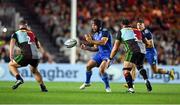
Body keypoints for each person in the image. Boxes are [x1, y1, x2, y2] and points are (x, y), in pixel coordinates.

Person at [108, 18, 152, 93]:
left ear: (122, 25)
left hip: (132, 51)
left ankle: (131, 89)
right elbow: (148, 43)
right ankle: (146, 80)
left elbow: (115, 48)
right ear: (130, 24)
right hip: (142, 51)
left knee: (126, 71)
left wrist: (110, 58)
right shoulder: (138, 31)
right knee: (139, 66)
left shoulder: (121, 32)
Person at [8, 20, 48, 92]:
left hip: (26, 55)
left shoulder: (16, 33)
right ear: (26, 26)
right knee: (34, 71)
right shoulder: (32, 33)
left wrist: (11, 54)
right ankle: (43, 87)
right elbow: (38, 45)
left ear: (19, 26)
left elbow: (12, 44)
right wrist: (43, 53)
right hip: (35, 56)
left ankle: (19, 79)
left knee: (11, 65)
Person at [79, 18, 112, 92]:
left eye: (94, 25)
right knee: (88, 66)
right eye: (92, 25)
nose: (92, 27)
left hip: (108, 54)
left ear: (99, 26)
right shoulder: (96, 35)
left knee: (102, 70)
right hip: (100, 54)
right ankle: (87, 82)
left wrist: (91, 41)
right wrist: (86, 47)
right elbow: (95, 48)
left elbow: (103, 42)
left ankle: (107, 87)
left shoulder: (105, 32)